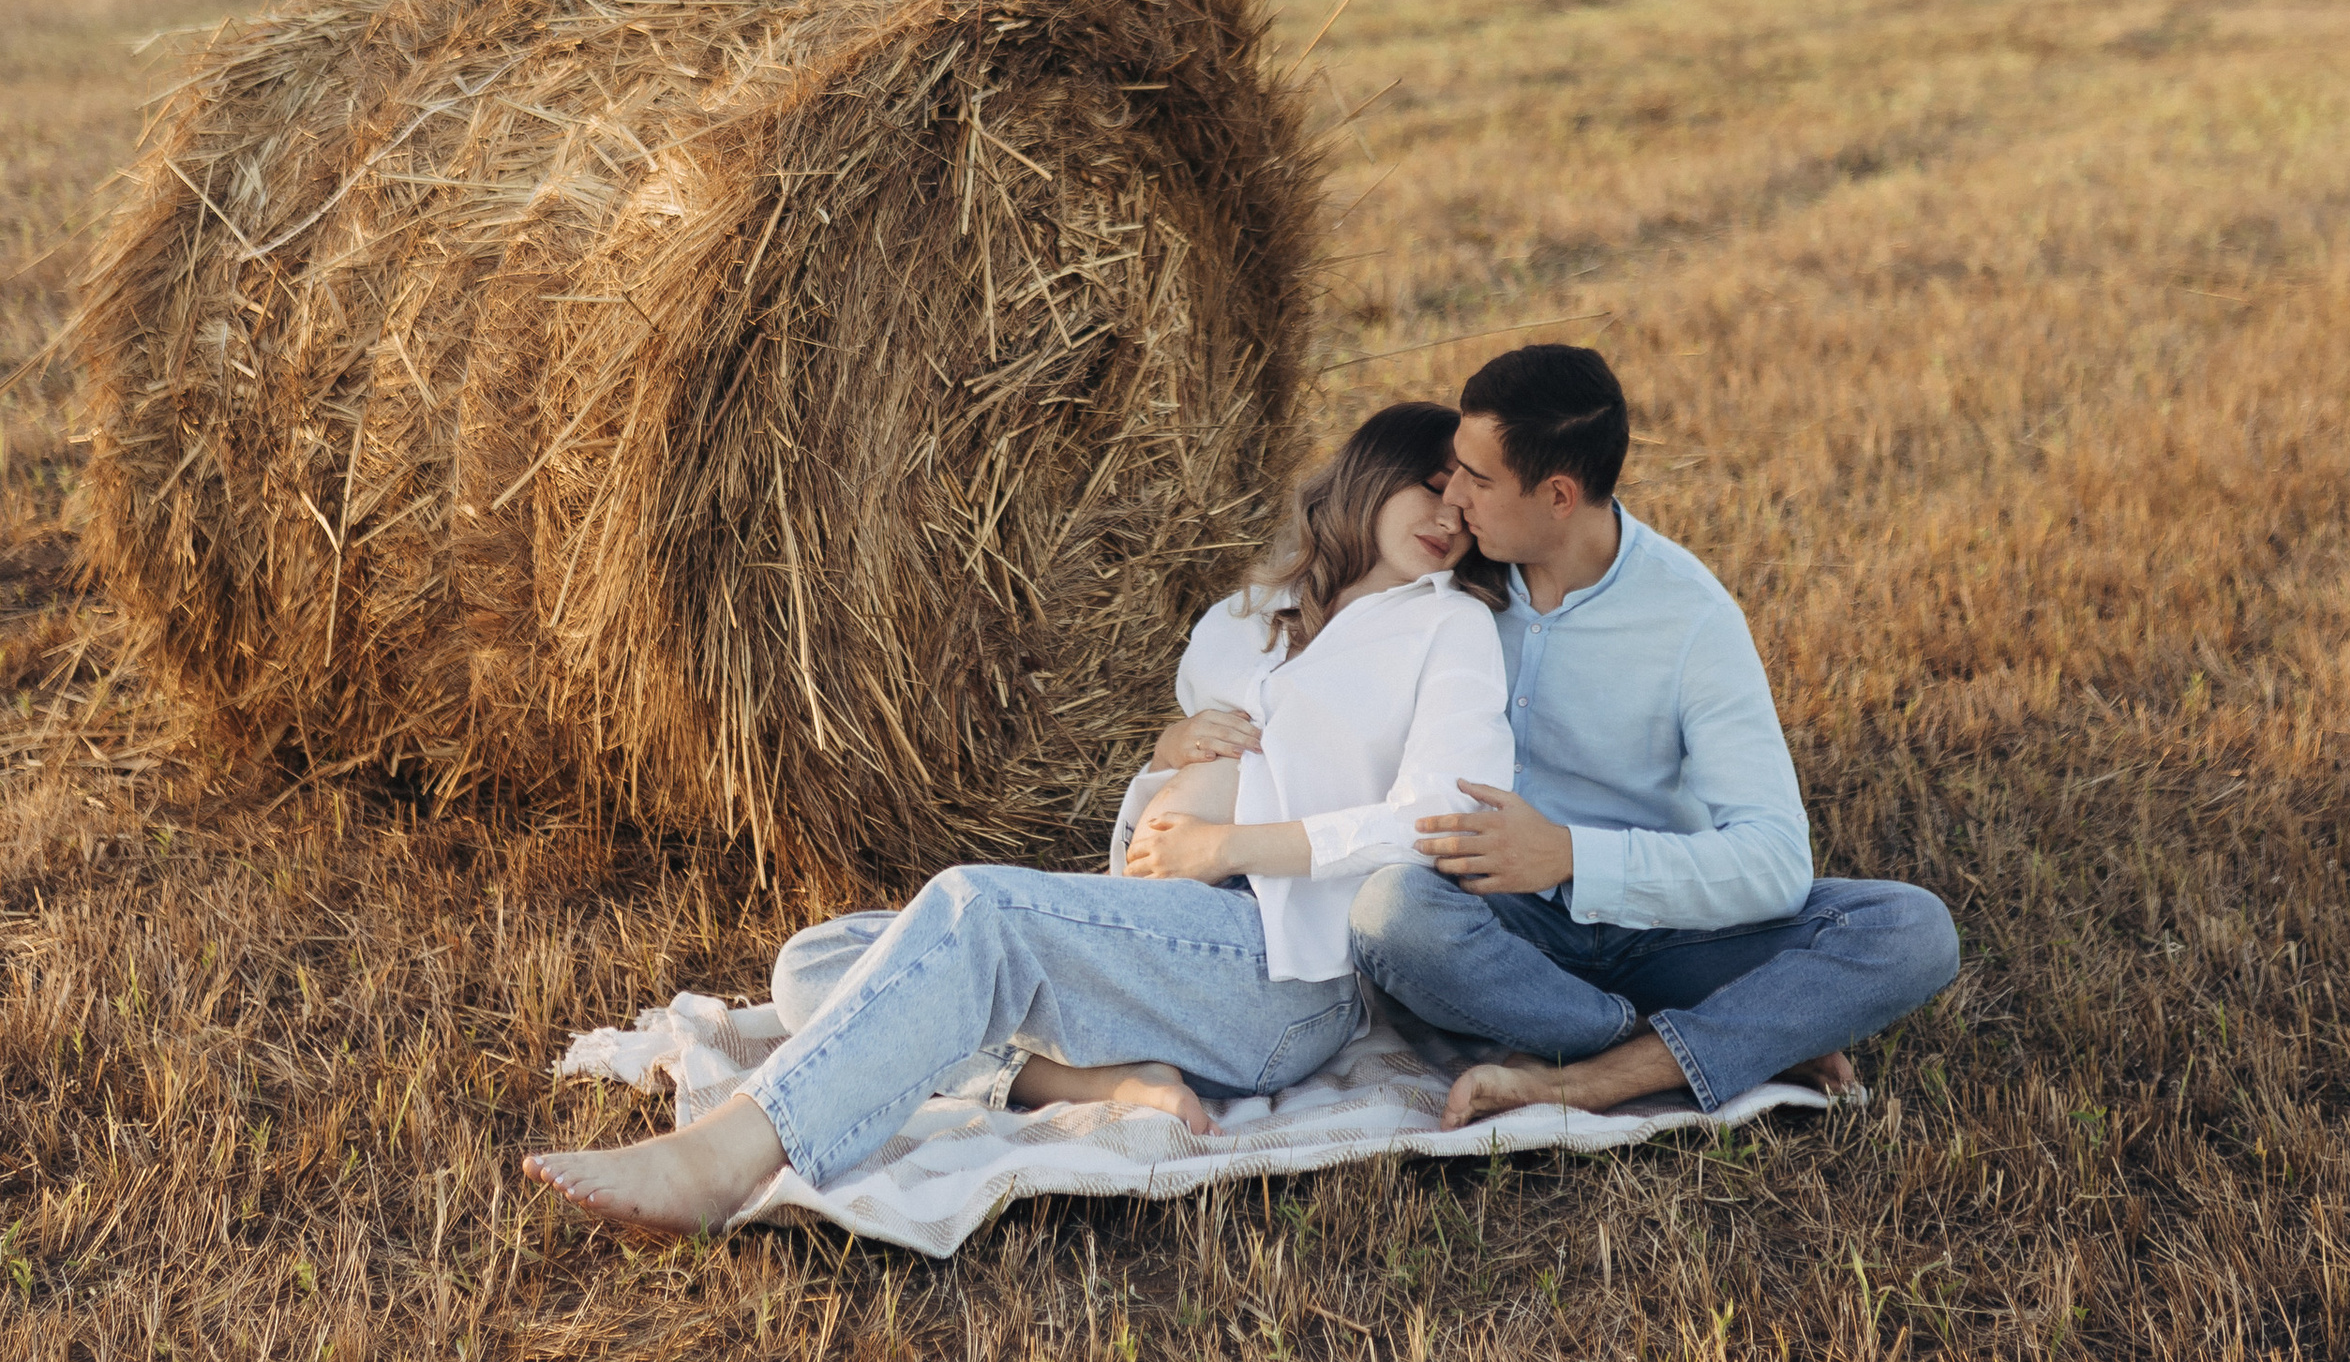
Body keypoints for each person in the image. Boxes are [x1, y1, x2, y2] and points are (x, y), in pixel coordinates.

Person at [524, 402, 1513, 1239]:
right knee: (814, 966)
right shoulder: (1249, 618)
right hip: (1164, 930)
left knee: (974, 911)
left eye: (1467, 502)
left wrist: (1230, 843)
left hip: (1277, 963)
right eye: (1431, 484)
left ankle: (730, 1153)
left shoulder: (1448, 627)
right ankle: (1099, 1085)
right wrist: (1171, 754)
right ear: (1368, 476)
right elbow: (1200, 761)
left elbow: (1439, 813)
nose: (1451, 515)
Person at [1347, 344, 1959, 1128]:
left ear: (1559, 495)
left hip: (1669, 936)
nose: (1452, 494)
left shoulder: (1693, 619)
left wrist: (1568, 854)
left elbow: (1775, 862)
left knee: (1913, 929)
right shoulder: (1449, 578)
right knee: (1389, 913)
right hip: (1507, 928)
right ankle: (1676, 1043)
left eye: (1479, 478)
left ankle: (1590, 1079)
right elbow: (1313, 637)